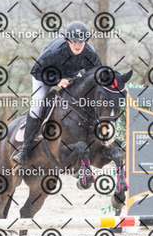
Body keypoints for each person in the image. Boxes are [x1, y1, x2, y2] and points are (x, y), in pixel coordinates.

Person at [12, 21, 102, 165]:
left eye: (81, 42)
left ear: (86, 41)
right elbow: (36, 71)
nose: (77, 45)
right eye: (74, 42)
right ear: (68, 41)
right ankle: (25, 150)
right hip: (45, 75)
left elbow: (95, 76)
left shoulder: (90, 54)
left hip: (71, 75)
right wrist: (57, 80)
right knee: (37, 105)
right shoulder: (54, 51)